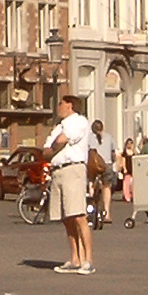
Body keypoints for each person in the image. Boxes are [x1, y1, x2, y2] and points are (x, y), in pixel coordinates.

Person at [42, 95, 94, 274]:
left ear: (70, 105)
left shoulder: (79, 121)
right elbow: (46, 150)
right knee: (66, 218)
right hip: (58, 171)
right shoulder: (58, 127)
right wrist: (54, 147)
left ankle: (88, 259)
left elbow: (63, 141)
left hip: (73, 169)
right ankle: (75, 258)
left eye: (61, 103)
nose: (58, 106)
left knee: (78, 215)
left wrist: (55, 147)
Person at [92, 118, 117, 225]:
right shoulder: (109, 137)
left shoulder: (89, 137)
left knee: (91, 185)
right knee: (107, 187)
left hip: (94, 165)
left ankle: (91, 211)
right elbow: (114, 153)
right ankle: (107, 214)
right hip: (107, 164)